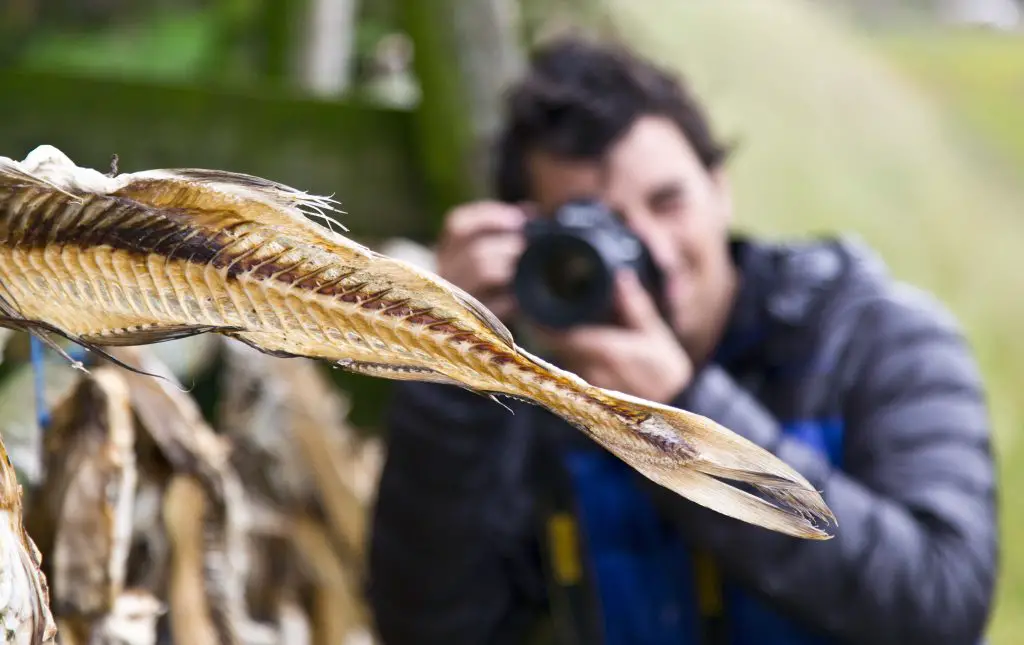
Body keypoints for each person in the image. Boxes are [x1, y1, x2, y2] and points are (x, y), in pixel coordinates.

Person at [366, 34, 999, 645]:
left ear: (720, 188)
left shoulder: (876, 340)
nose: (653, 251)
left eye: (667, 202)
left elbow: (940, 603)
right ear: (532, 243)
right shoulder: (540, 396)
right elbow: (432, 627)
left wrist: (684, 419)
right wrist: (449, 370)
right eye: (602, 227)